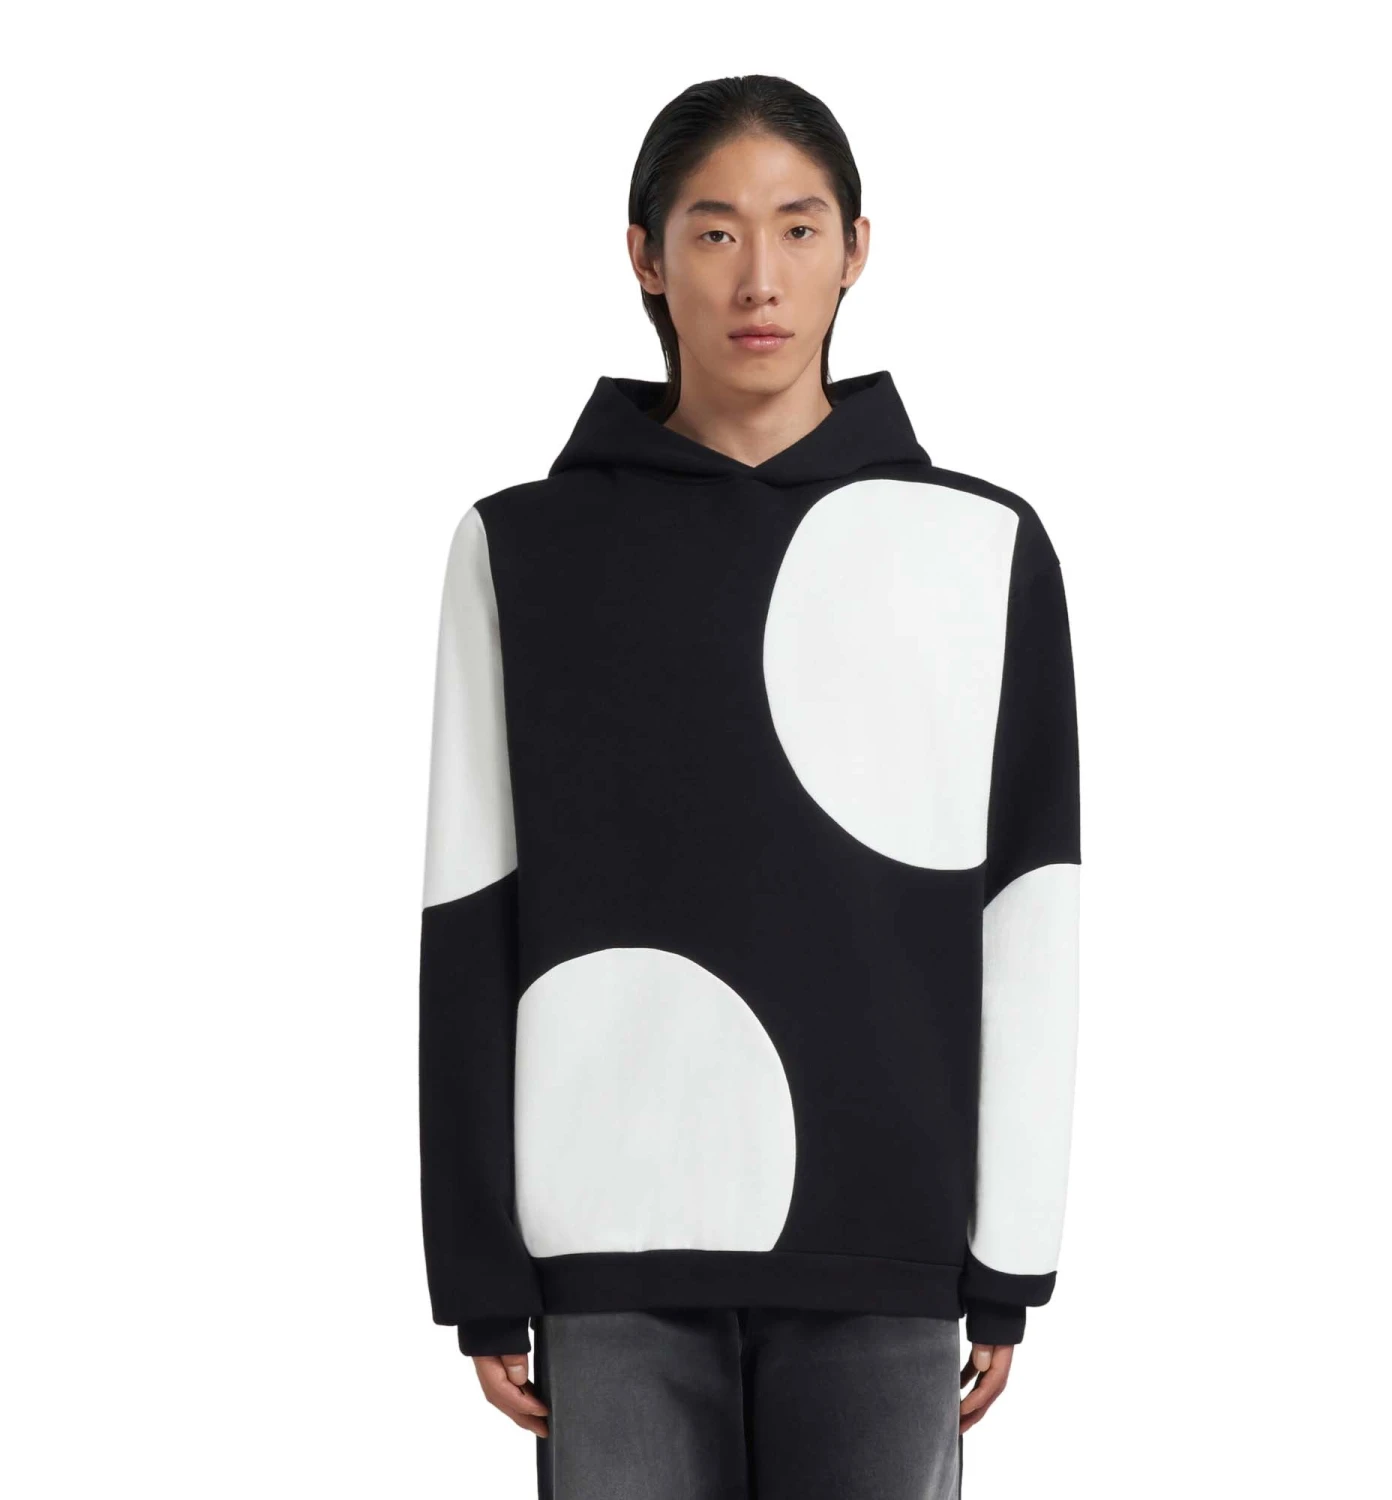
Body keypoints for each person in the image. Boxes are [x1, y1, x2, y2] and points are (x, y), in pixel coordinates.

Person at [418, 73, 1082, 1500]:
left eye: (798, 227)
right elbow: (471, 908)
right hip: (606, 1240)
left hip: (886, 1234)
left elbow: (1029, 913)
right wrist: (479, 1269)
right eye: (715, 231)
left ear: (857, 248)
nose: (760, 278)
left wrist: (1010, 1257)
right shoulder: (522, 551)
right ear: (646, 257)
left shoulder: (981, 551)